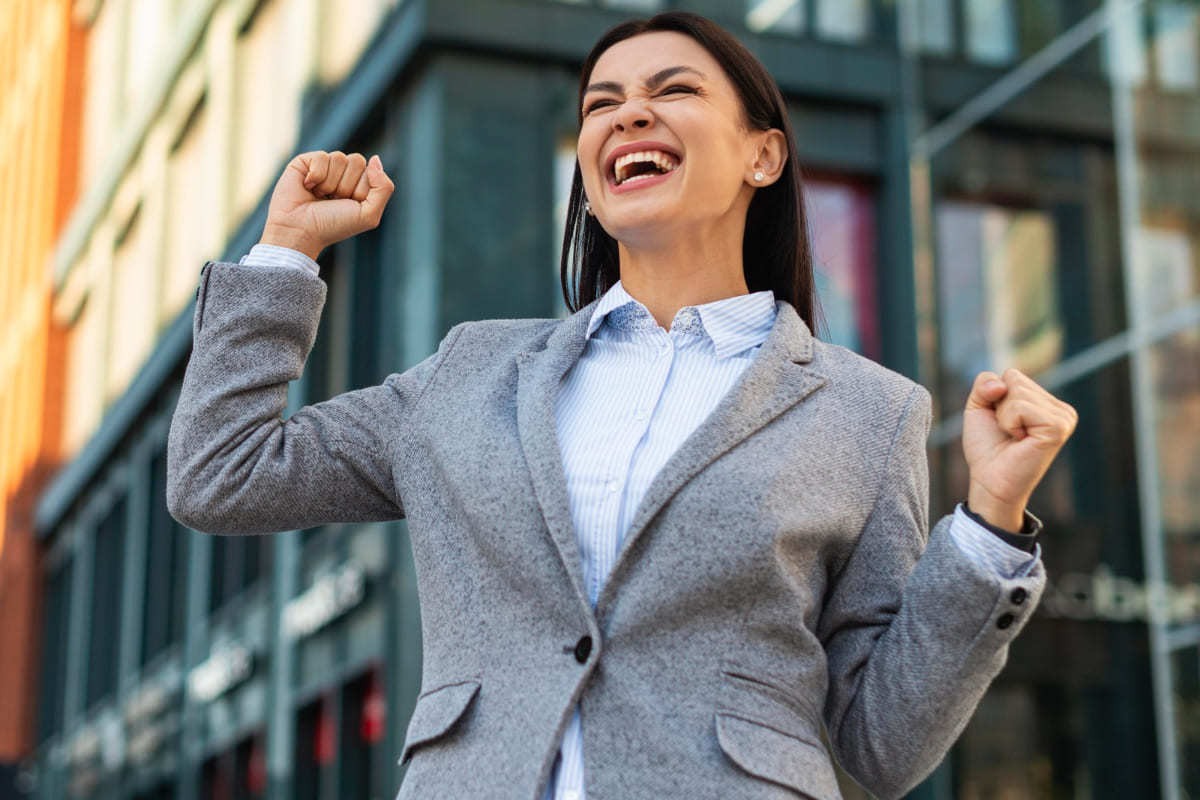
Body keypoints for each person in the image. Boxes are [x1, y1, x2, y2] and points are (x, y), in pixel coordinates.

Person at [168, 11, 1077, 800]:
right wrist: (285, 253)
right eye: (602, 103)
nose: (629, 112)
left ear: (765, 153)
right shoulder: (469, 372)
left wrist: (991, 521)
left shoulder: (867, 412)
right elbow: (222, 474)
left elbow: (883, 744)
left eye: (672, 90)